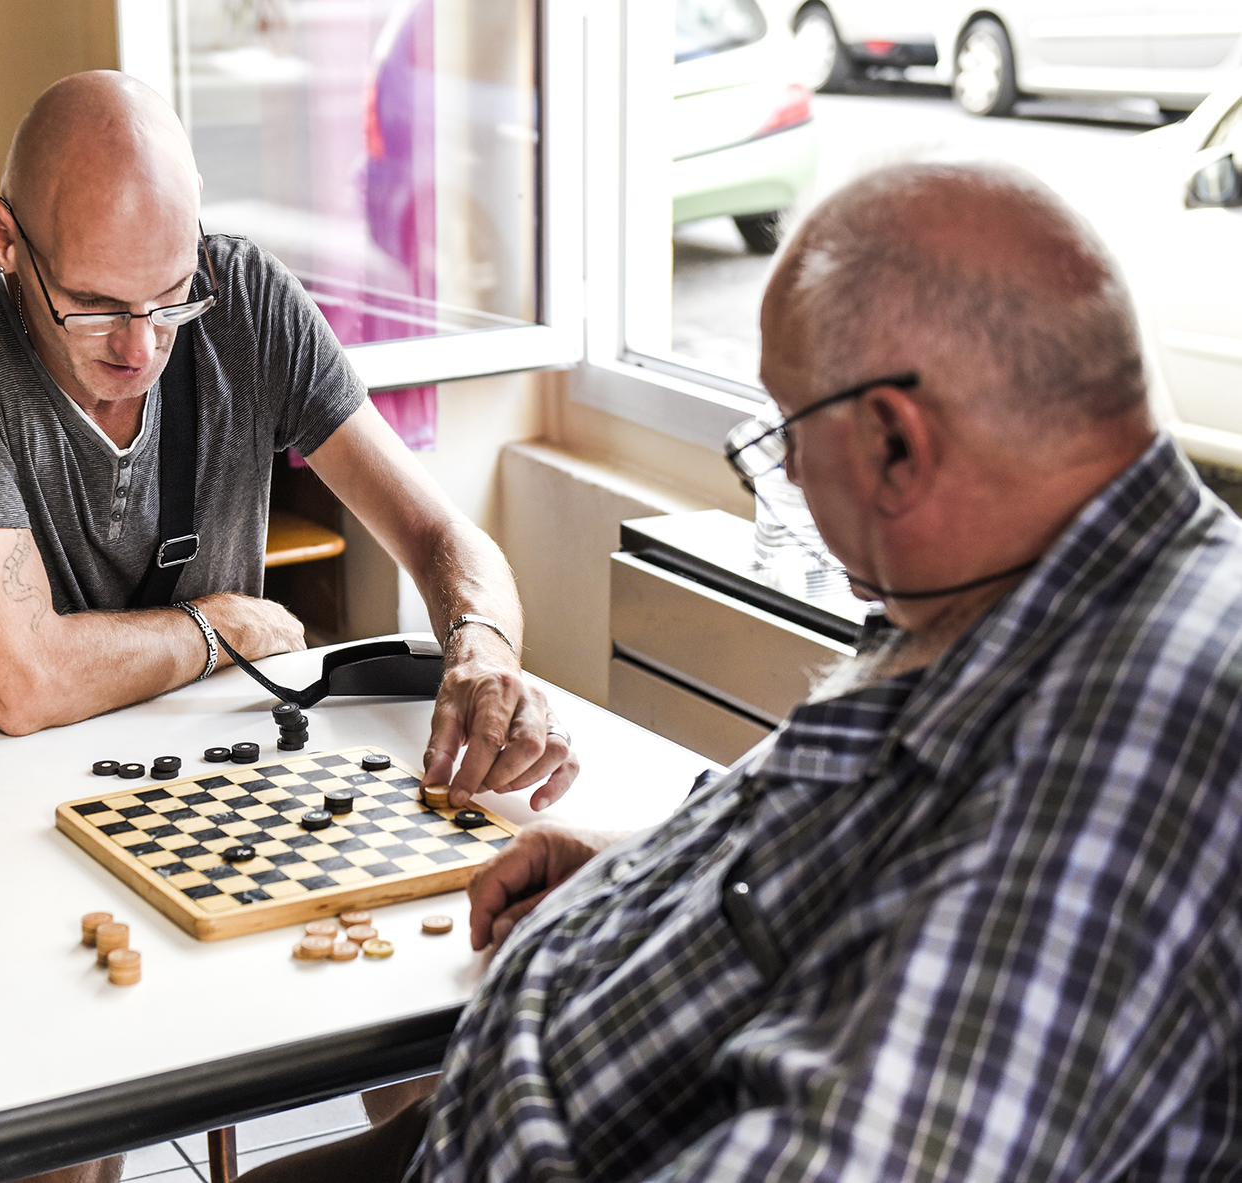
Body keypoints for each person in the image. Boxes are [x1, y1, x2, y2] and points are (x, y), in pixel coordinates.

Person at [241, 160, 1242, 1182]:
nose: (789, 479)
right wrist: (632, 866)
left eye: (786, 435)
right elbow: (848, 849)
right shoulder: (994, 584)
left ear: (896, 439)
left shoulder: (1127, 749)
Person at [0, 70, 576, 814]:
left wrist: (483, 655)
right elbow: (24, 682)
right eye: (94, 304)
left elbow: (439, 534)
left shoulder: (247, 301)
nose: (140, 348)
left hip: (193, 753)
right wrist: (222, 626)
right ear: (5, 240)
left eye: (172, 294)